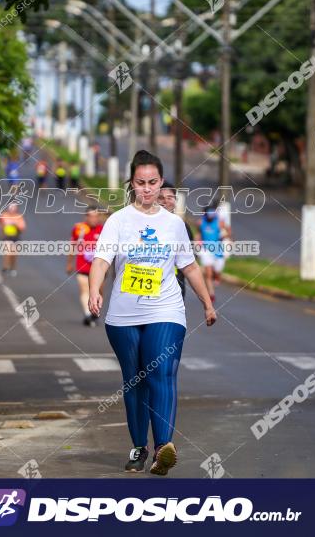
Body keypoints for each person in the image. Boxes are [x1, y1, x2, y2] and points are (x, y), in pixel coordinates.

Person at [89, 150, 216, 476]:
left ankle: (163, 447)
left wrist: (206, 302)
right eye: (140, 182)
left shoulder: (174, 224)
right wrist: (94, 290)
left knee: (161, 373)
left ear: (161, 183)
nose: (147, 188)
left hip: (165, 308)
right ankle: (138, 448)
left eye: (153, 182)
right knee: (135, 381)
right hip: (123, 314)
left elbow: (189, 266)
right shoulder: (118, 220)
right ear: (131, 183)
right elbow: (101, 261)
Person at [66, 207, 104, 326]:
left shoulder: (103, 229)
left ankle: (94, 311)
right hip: (83, 266)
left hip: (99, 269)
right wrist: (69, 263)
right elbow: (72, 246)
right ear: (86, 217)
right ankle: (88, 314)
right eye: (91, 216)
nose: (93, 219)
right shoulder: (79, 229)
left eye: (96, 216)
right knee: (84, 290)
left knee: (99, 292)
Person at [158, 182, 195, 299]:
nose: (165, 201)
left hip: (175, 288)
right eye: (161, 198)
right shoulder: (146, 226)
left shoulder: (183, 227)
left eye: (170, 198)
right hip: (149, 287)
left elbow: (190, 263)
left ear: (175, 201)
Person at [197, 205, 229, 303]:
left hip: (217, 250)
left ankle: (217, 276)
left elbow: (228, 232)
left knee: (217, 271)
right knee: (208, 273)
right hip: (205, 250)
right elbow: (199, 234)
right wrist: (197, 244)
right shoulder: (200, 222)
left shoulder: (219, 222)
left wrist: (224, 236)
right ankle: (211, 294)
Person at [0, 202, 26, 276]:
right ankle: (5, 267)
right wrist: (3, 229)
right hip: (7, 237)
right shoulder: (4, 215)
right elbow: (1, 223)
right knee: (7, 252)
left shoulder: (19, 217)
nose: (12, 210)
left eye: (14, 208)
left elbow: (23, 227)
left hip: (15, 237)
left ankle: (13, 268)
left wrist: (16, 224)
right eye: (11, 208)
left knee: (13, 254)